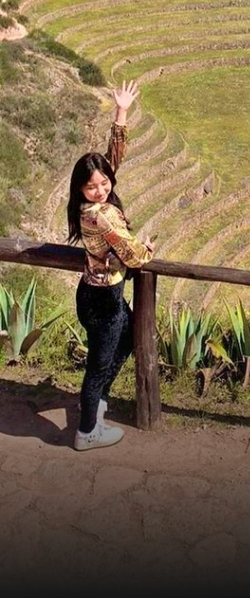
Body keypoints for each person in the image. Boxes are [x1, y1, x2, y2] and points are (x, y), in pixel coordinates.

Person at [66, 80, 154, 451]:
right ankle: (87, 432)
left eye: (103, 184)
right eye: (92, 186)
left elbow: (110, 162)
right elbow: (132, 254)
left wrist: (121, 112)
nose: (101, 189)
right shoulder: (102, 217)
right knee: (98, 367)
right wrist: (147, 249)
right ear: (80, 191)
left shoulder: (94, 201)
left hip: (98, 295)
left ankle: (96, 407)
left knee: (123, 344)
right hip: (103, 302)